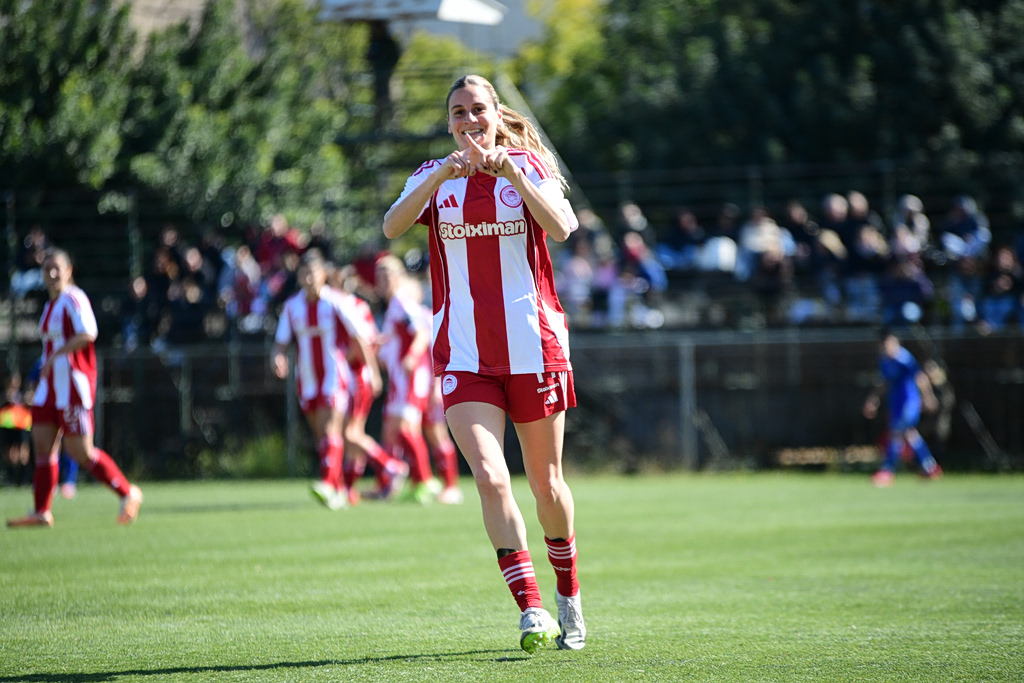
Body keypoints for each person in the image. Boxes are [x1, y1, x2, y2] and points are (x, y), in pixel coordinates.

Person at [382, 74, 586, 653]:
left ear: (496, 114)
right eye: (458, 113)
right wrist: (447, 171)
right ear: (447, 122)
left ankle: (569, 594)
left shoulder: (526, 167)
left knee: (546, 485)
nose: (468, 121)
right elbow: (392, 226)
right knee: (492, 477)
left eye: (477, 110)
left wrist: (513, 172)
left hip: (534, 349)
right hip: (465, 357)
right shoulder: (433, 178)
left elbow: (565, 227)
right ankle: (532, 610)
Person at [7, 248, 143, 528]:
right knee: (42, 446)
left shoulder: (74, 298)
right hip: (49, 389)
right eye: (47, 269)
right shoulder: (50, 305)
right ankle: (41, 511)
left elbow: (87, 333)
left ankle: (128, 493)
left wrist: (57, 357)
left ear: (69, 271)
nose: (52, 274)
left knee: (81, 452)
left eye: (57, 268)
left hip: (72, 386)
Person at [271, 250, 377, 511]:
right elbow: (280, 343)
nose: (309, 277)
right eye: (304, 273)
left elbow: (359, 339)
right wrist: (278, 358)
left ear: (323, 275)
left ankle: (328, 484)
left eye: (313, 272)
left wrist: (371, 370)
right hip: (306, 379)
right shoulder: (292, 306)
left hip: (334, 376)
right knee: (322, 436)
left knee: (331, 431)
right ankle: (339, 490)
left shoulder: (336, 302)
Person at [374, 254, 439, 504]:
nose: (383, 282)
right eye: (379, 278)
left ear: (399, 278)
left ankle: (424, 481)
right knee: (391, 431)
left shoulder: (401, 302)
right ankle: (388, 485)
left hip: (410, 376)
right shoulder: (393, 305)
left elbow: (422, 332)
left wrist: (411, 356)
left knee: (405, 428)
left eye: (387, 276)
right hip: (399, 377)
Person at [862, 330, 943, 487]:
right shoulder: (884, 361)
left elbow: (920, 377)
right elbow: (883, 382)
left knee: (896, 434)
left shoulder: (904, 359)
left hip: (910, 402)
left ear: (895, 343)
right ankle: (930, 467)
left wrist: (927, 397)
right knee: (910, 434)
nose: (886, 348)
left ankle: (887, 470)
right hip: (896, 403)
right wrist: (874, 400)